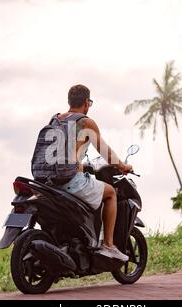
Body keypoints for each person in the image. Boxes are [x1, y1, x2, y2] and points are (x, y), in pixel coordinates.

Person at [57, 84, 132, 261]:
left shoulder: (56, 120)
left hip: (48, 181)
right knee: (111, 193)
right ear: (86, 102)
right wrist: (123, 166)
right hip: (69, 181)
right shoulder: (85, 122)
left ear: (69, 101)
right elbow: (105, 152)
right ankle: (108, 245)